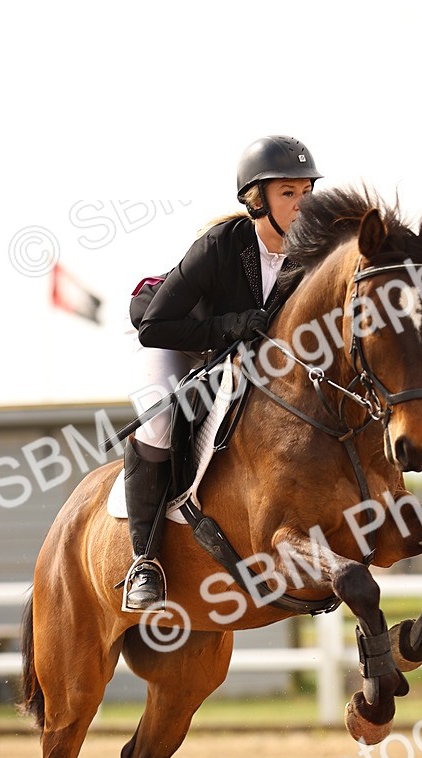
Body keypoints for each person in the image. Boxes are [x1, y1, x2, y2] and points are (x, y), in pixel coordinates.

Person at [121, 134, 322, 611]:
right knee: (160, 423)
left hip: (235, 355)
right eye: (288, 193)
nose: (302, 204)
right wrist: (231, 325)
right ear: (257, 200)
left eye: (306, 192)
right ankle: (144, 560)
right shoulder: (220, 245)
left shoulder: (309, 257)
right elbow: (154, 327)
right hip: (174, 338)